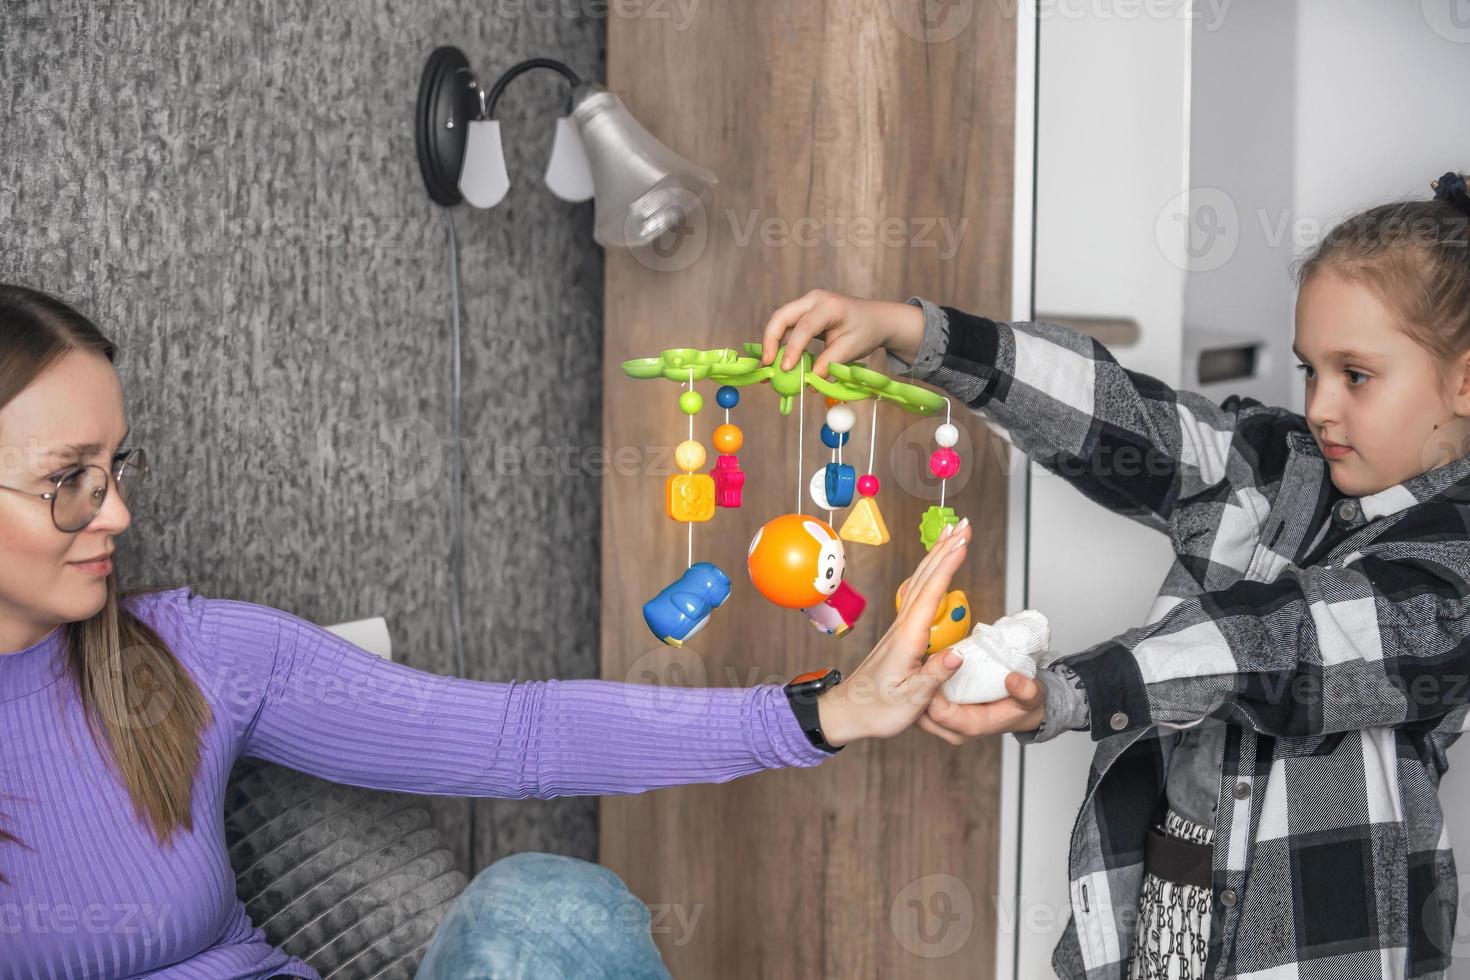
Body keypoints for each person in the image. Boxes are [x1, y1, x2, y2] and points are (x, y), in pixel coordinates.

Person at [0, 282, 974, 979]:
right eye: (69, 479)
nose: (118, 512)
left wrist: (826, 711)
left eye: (118, 466)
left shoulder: (190, 652)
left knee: (545, 903)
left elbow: (520, 734)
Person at [760, 171, 1470, 979]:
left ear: (1464, 380)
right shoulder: (1274, 466)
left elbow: (1281, 641)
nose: (1319, 405)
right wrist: (916, 331)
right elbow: (1121, 414)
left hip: (1314, 943)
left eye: (1357, 375)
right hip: (1169, 901)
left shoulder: (1453, 571)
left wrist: (1081, 690)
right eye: (1312, 370)